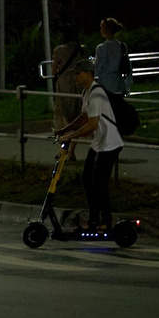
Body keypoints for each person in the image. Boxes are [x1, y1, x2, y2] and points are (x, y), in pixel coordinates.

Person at [54, 58, 124, 232]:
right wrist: (64, 129)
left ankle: (105, 220)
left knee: (99, 182)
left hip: (110, 143)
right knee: (87, 178)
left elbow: (92, 124)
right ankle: (94, 218)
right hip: (99, 142)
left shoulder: (97, 94)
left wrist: (70, 135)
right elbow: (84, 117)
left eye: (78, 74)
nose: (75, 78)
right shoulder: (87, 93)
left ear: (88, 73)